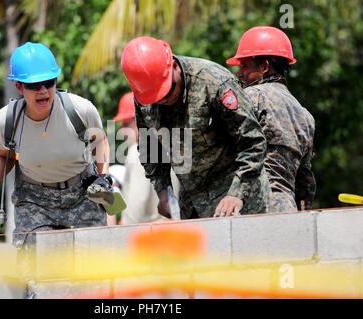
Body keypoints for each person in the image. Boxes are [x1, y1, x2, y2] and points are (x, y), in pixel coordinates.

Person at [0, 42, 111, 298]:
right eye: (33, 85)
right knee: (37, 279)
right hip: (34, 199)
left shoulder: (80, 109)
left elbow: (101, 141)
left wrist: (103, 176)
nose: (43, 91)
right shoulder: (6, 120)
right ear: (19, 86)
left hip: (83, 192)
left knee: (94, 276)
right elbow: (5, 156)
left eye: (49, 82)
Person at [120, 36, 270, 219]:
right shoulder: (144, 95)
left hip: (238, 200)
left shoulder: (213, 82)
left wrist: (237, 193)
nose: (163, 101)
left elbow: (252, 141)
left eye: (167, 91)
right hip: (192, 205)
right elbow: (150, 149)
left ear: (173, 65)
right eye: (155, 97)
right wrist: (163, 191)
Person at [226, 26, 316, 212]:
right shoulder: (305, 115)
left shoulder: (251, 97)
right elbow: (305, 181)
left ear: (265, 67)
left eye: (244, 66)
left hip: (250, 209)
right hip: (286, 210)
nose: (239, 73)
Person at [112, 92, 168, 224]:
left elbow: (134, 211)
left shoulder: (136, 153)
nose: (123, 130)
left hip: (146, 236)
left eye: (126, 124)